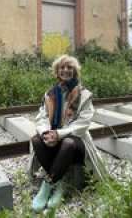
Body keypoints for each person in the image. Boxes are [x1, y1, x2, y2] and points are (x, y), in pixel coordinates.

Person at [28, 54, 105, 212]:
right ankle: (60, 180)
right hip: (54, 137)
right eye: (62, 67)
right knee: (36, 140)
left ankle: (48, 185)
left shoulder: (84, 95)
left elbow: (83, 124)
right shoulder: (50, 94)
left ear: (75, 71)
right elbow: (41, 117)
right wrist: (46, 133)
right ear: (57, 72)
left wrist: (59, 134)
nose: (65, 70)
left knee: (68, 143)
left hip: (76, 142)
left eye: (70, 67)